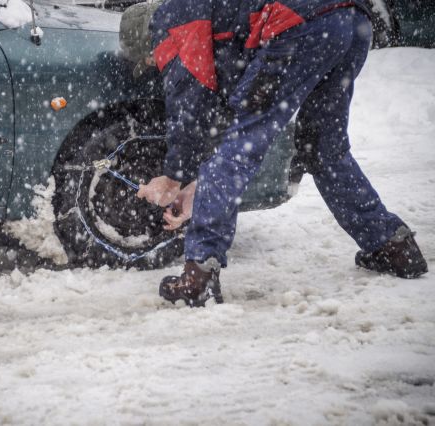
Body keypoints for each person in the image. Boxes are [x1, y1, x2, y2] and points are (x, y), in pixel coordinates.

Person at [123, 0, 428, 307]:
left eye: (150, 61)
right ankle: (392, 246)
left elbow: (189, 103)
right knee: (323, 148)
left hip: (300, 21)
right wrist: (197, 187)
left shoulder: (169, 21)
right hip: (350, 18)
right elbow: (218, 109)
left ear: (149, 40)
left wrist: (175, 175)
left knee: (241, 146)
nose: (155, 65)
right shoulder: (207, 15)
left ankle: (199, 273)